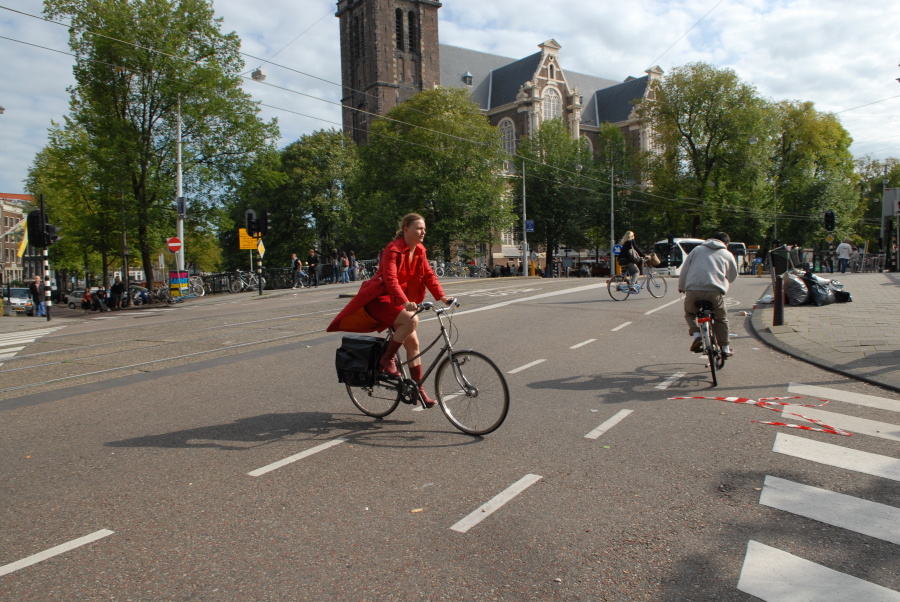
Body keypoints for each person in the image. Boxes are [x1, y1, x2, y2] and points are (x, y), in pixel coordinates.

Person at [327, 213, 453, 407]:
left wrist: (442, 297)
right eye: (419, 228)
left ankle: (417, 390)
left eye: (424, 228)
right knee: (411, 320)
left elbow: (429, 275)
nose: (423, 232)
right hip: (381, 299)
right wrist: (404, 302)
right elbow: (390, 279)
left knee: (413, 345)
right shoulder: (393, 249)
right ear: (406, 229)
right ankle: (386, 360)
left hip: (398, 301)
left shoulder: (419, 250)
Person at [678, 232, 739, 357]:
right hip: (714, 291)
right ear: (726, 243)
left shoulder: (696, 250)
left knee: (690, 314)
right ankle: (725, 349)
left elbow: (685, 270)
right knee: (721, 319)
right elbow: (733, 276)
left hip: (693, 290)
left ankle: (697, 335)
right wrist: (724, 281)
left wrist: (681, 287)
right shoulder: (727, 254)